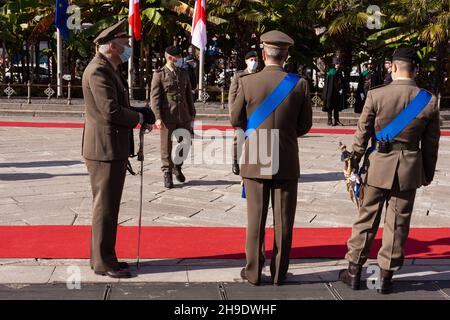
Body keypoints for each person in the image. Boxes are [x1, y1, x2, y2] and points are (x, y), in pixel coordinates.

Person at [339, 47, 440, 294]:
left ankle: (354, 271)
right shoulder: (428, 100)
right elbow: (431, 144)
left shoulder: (376, 95)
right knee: (398, 223)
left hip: (378, 165)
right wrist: (426, 173)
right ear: (415, 69)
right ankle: (385, 276)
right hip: (409, 168)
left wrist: (353, 161)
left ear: (393, 67)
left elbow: (362, 136)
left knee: (366, 218)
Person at [230, 30, 312, 285]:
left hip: (256, 153)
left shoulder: (246, 82)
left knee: (255, 219)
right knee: (284, 220)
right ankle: (279, 273)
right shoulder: (299, 84)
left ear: (263, 54)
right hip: (286, 155)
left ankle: (253, 272)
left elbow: (236, 120)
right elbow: (305, 125)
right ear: (286, 55)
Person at [81, 20, 155, 278]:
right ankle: (103, 262)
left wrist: (137, 111)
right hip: (105, 148)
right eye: (124, 44)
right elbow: (110, 110)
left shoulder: (108, 69)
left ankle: (103, 257)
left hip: (110, 146)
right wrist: (139, 118)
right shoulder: (98, 71)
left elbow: (115, 105)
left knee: (108, 206)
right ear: (111, 45)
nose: (127, 49)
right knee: (105, 206)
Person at [150, 46, 196, 188]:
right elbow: (155, 98)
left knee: (186, 142)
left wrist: (192, 114)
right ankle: (167, 173)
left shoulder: (183, 73)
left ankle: (177, 165)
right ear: (170, 58)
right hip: (167, 115)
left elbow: (188, 95)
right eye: (178, 57)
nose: (180, 59)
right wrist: (157, 117)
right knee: (166, 146)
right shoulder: (159, 74)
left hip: (183, 114)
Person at [228, 50, 259, 175]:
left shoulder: (260, 75)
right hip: (241, 113)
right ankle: (235, 161)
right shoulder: (239, 76)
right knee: (238, 139)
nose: (254, 62)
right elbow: (232, 97)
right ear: (246, 61)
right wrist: (233, 115)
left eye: (256, 60)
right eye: (251, 60)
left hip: (255, 113)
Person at [322, 57, 346, 126]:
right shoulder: (331, 72)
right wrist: (339, 88)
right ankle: (329, 120)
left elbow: (341, 82)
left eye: (339, 63)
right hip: (331, 93)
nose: (338, 65)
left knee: (336, 107)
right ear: (334, 64)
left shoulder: (339, 72)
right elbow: (332, 84)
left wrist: (341, 89)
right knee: (330, 107)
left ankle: (337, 120)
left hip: (337, 93)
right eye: (337, 63)